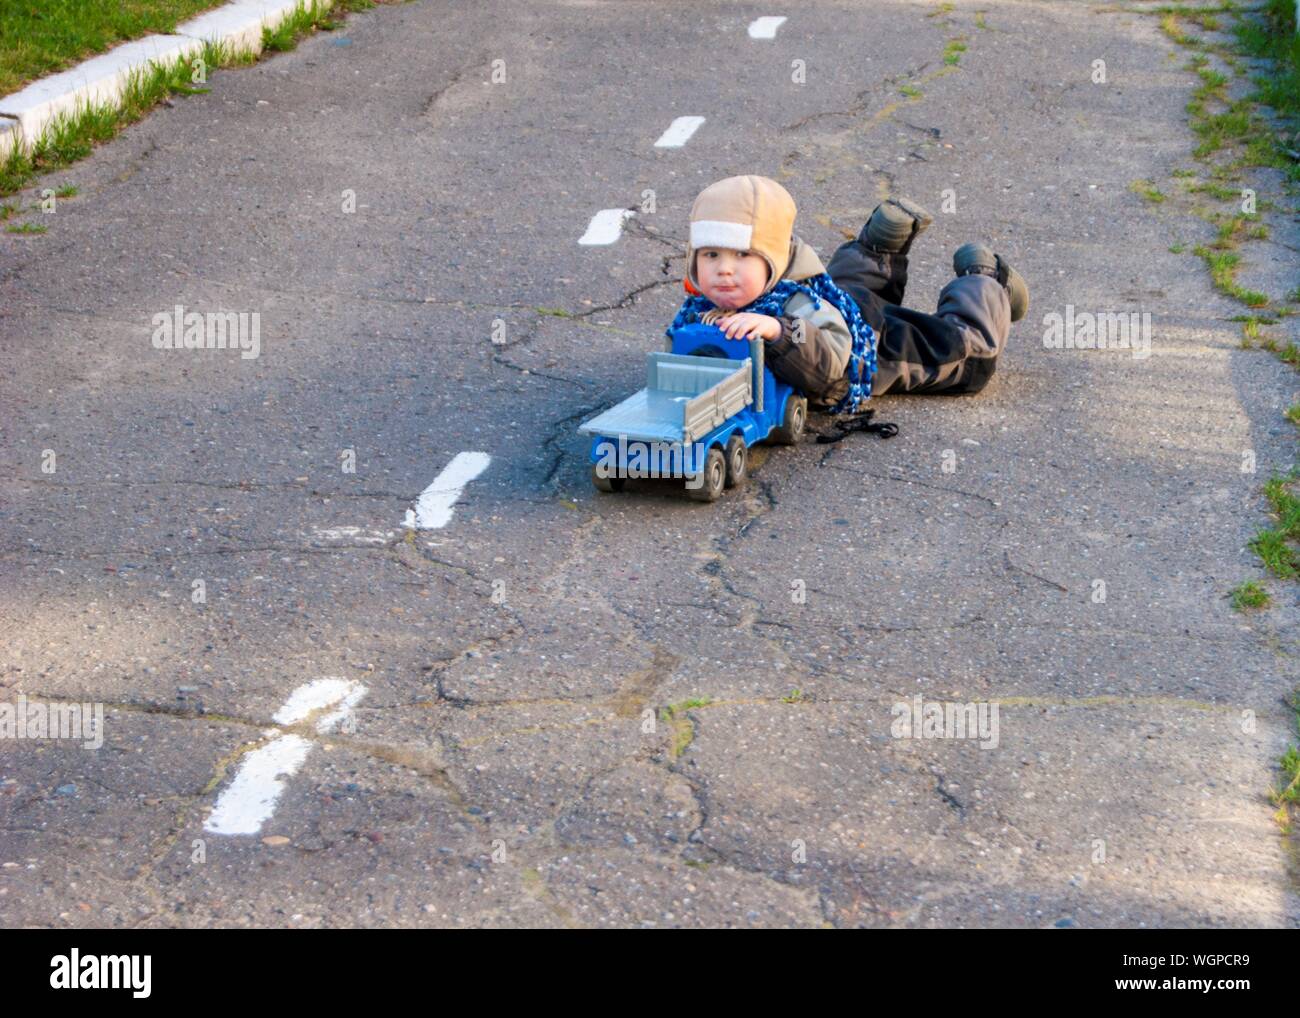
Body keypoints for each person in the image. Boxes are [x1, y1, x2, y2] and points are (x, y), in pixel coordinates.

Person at [666, 175, 1029, 412]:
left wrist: (778, 333)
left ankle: (985, 281)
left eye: (743, 255)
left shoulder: (798, 303)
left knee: (963, 355)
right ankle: (876, 249)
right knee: (846, 287)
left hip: (871, 340)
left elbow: (829, 370)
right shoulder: (705, 305)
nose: (723, 269)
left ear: (774, 262)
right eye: (710, 255)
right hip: (842, 300)